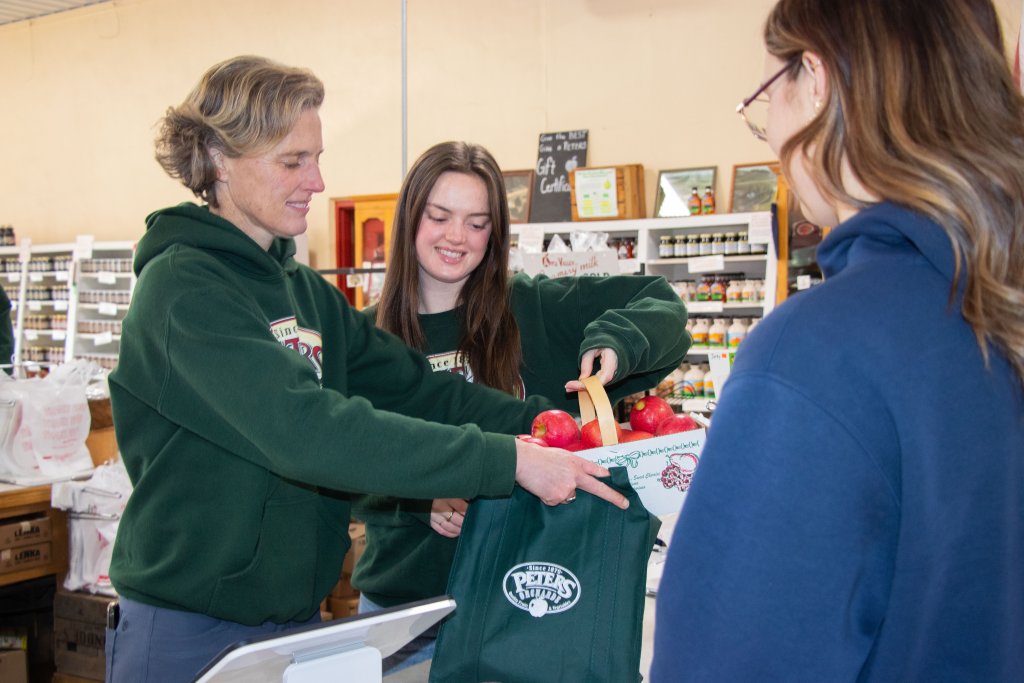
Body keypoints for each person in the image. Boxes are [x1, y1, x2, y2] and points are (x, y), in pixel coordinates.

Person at [104, 55, 629, 683]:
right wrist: (508, 461)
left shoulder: (303, 290)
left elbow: (417, 390)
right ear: (219, 158)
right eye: (293, 160)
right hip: (190, 628)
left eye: (317, 157)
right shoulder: (183, 288)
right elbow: (307, 430)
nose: (317, 181)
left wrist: (557, 430)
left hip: (293, 625)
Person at [651, 0, 1024, 680]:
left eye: (767, 97)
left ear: (815, 81)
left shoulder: (814, 357)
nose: (769, 136)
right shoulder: (997, 307)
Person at [350, 141, 691, 672]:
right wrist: (419, 494)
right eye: (439, 216)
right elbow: (335, 466)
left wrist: (616, 340)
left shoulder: (531, 308)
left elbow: (660, 301)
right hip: (405, 615)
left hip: (527, 611)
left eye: (477, 222)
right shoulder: (365, 339)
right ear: (409, 218)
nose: (456, 237)